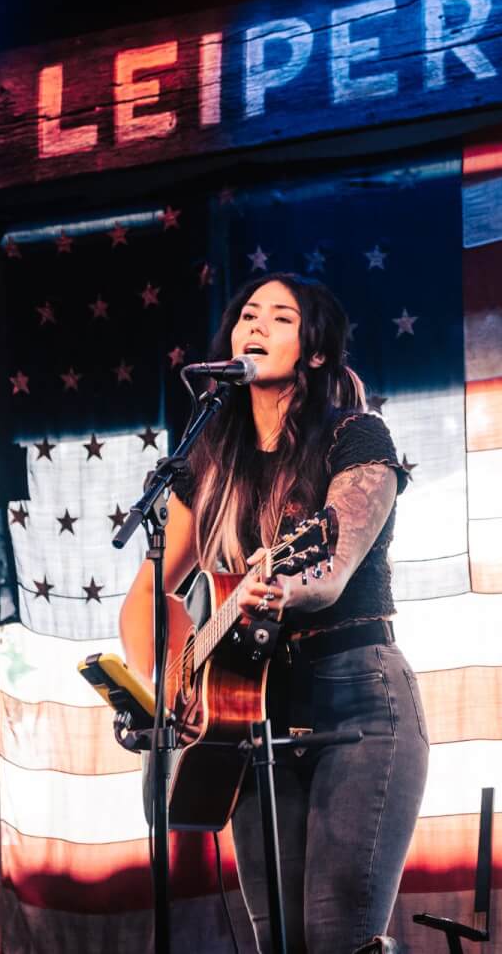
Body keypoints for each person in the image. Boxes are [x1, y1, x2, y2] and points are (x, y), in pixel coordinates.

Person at [118, 273, 428, 953]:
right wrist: (174, 682)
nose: (256, 325)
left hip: (358, 700)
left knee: (337, 934)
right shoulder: (207, 462)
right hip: (249, 713)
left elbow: (333, 564)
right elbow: (145, 597)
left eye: (280, 317)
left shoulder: (356, 434)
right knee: (279, 940)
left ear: (314, 351)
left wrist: (285, 587)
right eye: (248, 314)